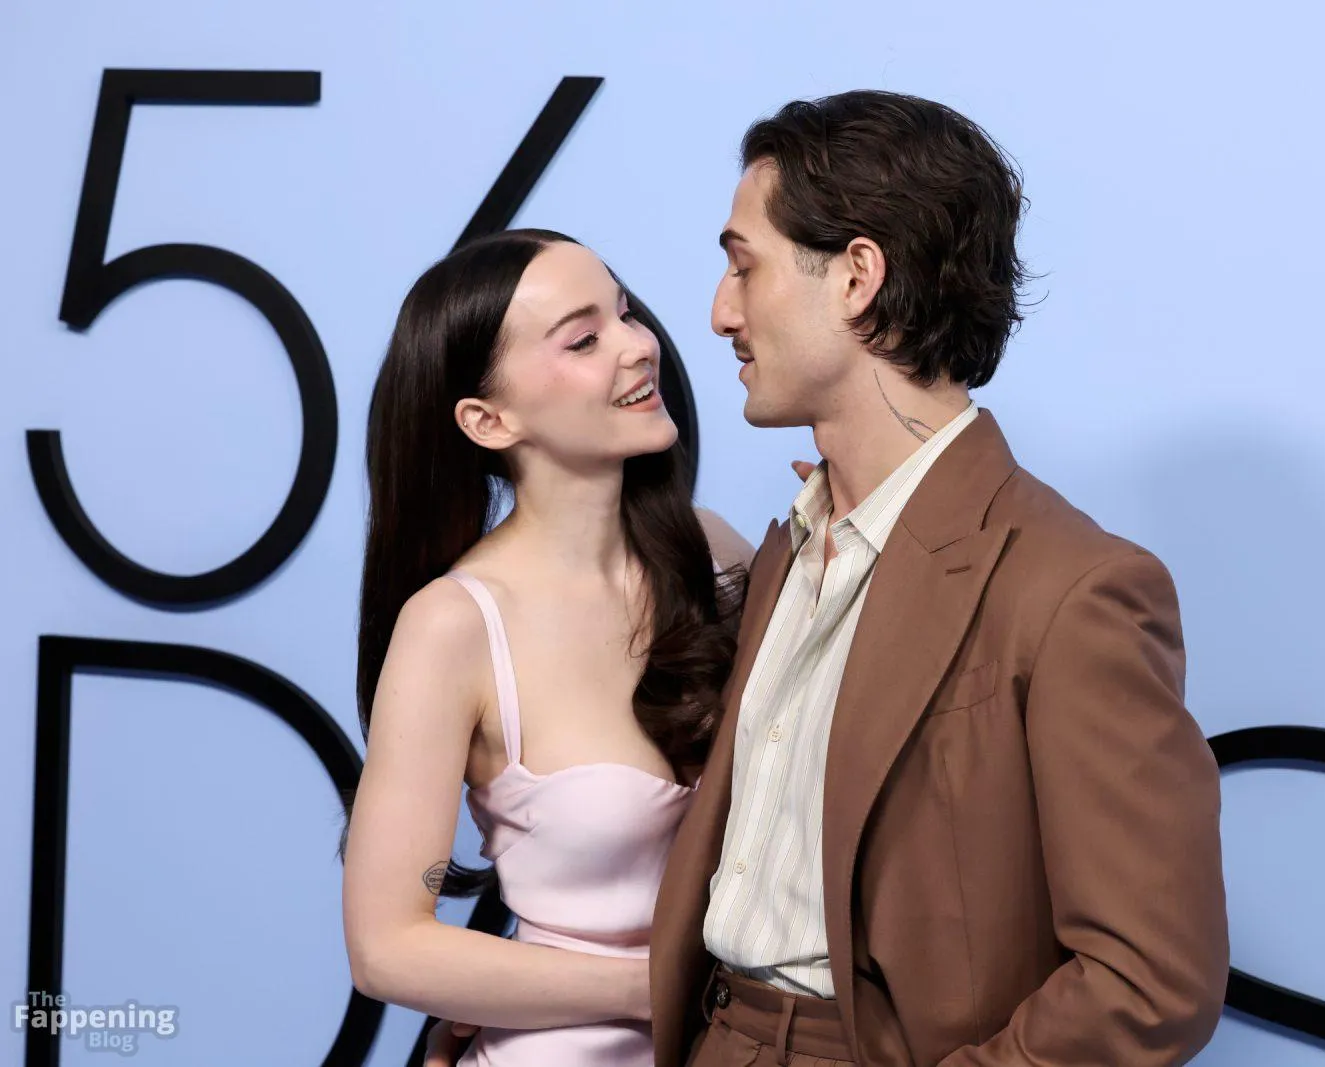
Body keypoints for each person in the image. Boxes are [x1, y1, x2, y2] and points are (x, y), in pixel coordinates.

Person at [645, 90, 1231, 1066]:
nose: (719, 312)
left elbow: (1151, 979)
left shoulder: (1072, 587)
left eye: (744, 266)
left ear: (857, 277)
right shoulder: (791, 547)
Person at [340, 227, 754, 1067]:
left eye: (625, 313)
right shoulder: (454, 626)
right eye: (584, 339)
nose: (638, 347)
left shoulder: (713, 555)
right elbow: (386, 946)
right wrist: (655, 988)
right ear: (488, 419)